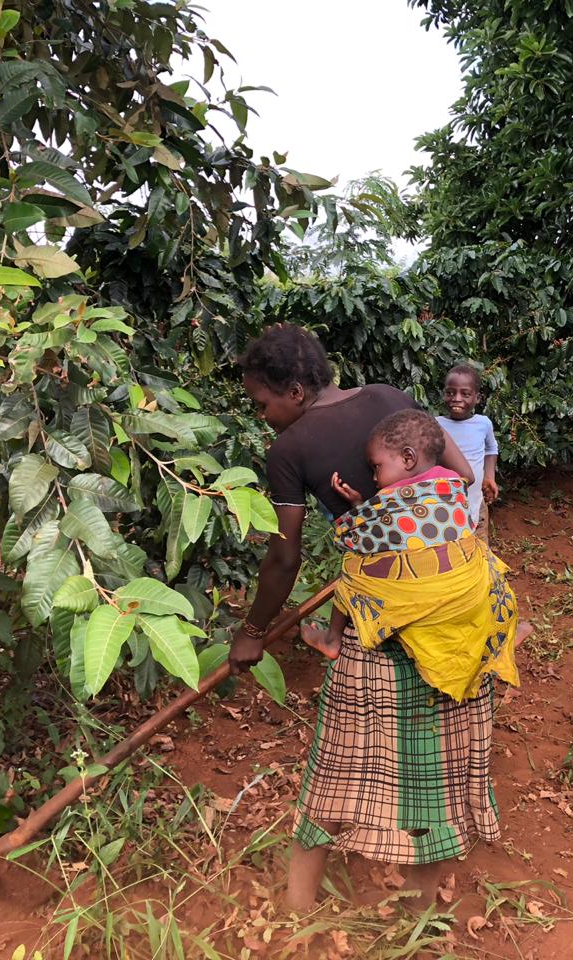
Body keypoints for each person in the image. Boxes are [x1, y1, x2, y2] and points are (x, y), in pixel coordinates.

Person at [230, 325, 487, 912]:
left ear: (294, 390)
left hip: (380, 631)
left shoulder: (289, 451)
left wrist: (250, 634)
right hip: (451, 613)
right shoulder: (391, 398)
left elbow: (285, 555)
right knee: (430, 755)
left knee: (340, 759)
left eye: (262, 403)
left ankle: (299, 902)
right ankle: (423, 903)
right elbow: (462, 479)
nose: (263, 415)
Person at [300, 410, 523, 697]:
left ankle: (331, 639)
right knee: (484, 560)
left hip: (427, 594)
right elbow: (420, 528)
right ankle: (504, 631)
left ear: (407, 458)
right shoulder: (452, 484)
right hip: (468, 591)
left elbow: (356, 538)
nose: (374, 478)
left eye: (376, 467)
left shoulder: (390, 501)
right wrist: (365, 505)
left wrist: (360, 510)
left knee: (354, 569)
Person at [436, 363, 499, 540]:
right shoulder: (435, 424)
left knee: (479, 545)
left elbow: (491, 448)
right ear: (444, 394)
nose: (456, 398)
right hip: (446, 503)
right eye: (450, 392)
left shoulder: (483, 423)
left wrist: (489, 477)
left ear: (477, 398)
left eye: (465, 394)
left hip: (476, 501)